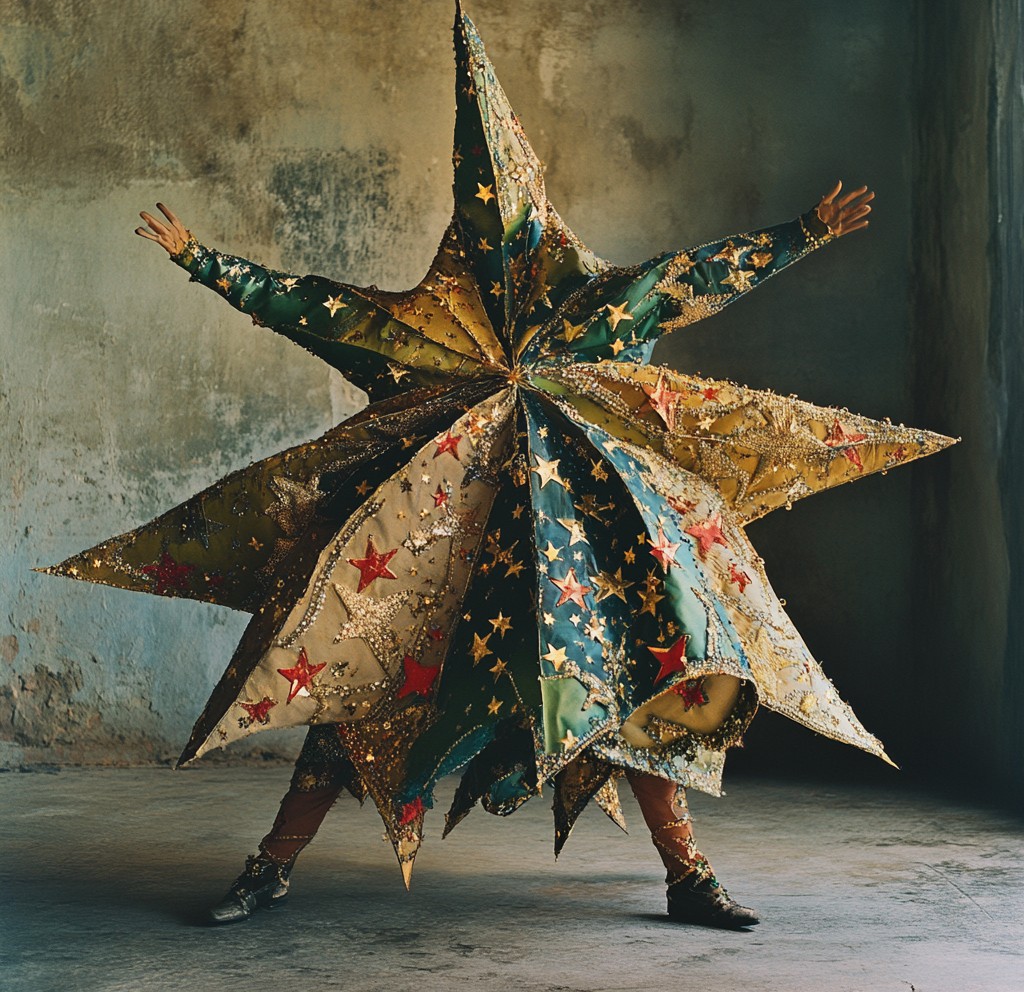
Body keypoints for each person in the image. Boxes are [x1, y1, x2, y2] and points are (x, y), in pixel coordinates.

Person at [133, 175, 874, 930]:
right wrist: (202, 259)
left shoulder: (601, 310)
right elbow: (316, 313)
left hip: (584, 563)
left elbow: (704, 275)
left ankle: (689, 876)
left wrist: (805, 233)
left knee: (639, 699)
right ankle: (272, 866)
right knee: (356, 696)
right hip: (448, 566)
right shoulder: (439, 338)